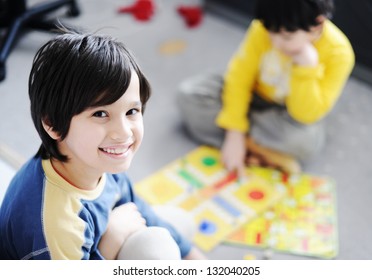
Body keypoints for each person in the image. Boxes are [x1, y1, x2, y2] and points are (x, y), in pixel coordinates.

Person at [0, 28, 206, 260]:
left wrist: (196, 259)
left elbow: (138, 206)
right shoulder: (56, 224)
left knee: (181, 225)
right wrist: (110, 243)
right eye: (100, 114)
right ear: (53, 124)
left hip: (97, 240)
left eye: (131, 111)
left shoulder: (98, 159)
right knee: (157, 248)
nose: (123, 133)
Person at [177, 0, 355, 176]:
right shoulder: (263, 26)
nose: (277, 43)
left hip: (287, 113)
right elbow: (239, 78)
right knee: (189, 95)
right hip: (254, 96)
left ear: (317, 25)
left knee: (305, 144)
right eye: (271, 33)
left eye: (287, 37)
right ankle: (258, 148)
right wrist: (235, 132)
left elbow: (306, 114)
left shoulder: (340, 53)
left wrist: (307, 70)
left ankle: (242, 143)